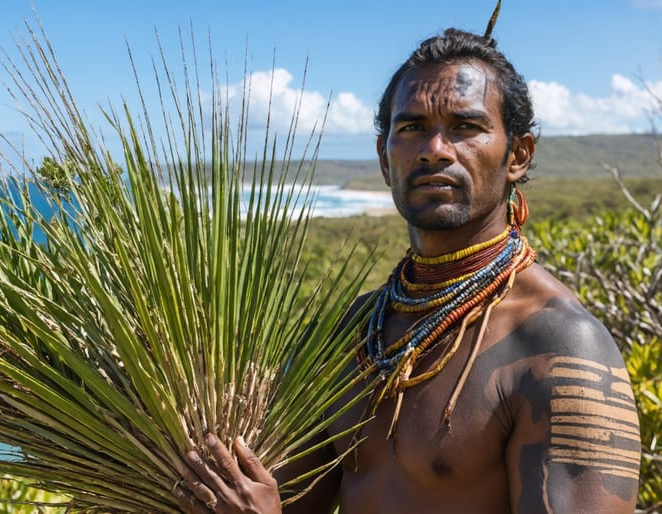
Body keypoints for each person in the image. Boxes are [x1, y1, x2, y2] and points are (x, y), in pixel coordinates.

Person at [173, 26, 642, 514]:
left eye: (466, 127)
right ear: (383, 158)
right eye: (412, 127)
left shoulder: (558, 346)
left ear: (518, 155)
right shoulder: (351, 334)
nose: (435, 148)